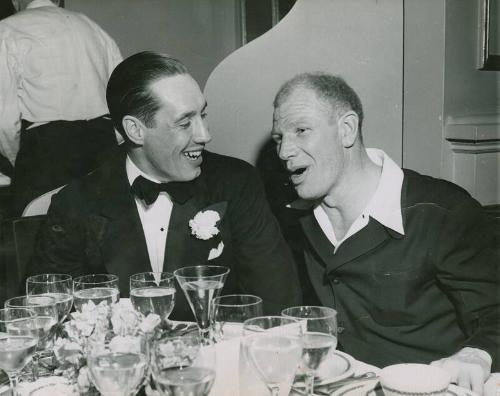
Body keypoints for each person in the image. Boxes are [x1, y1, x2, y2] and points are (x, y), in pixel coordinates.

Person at [269, 72, 499, 394]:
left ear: (346, 129)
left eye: (301, 131)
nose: (284, 152)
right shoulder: (293, 218)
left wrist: (477, 354)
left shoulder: (442, 212)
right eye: (279, 138)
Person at [27, 51, 302, 320]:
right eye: (185, 123)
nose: (205, 135)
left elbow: (277, 304)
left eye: (202, 116)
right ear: (135, 130)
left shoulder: (236, 182)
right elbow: (44, 312)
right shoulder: (77, 202)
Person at [0, 0, 122, 214]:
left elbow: (4, 119)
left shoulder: (7, 29)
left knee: (37, 238)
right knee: (106, 233)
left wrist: (16, 161)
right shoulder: (92, 27)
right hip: (104, 148)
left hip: (47, 154)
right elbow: (124, 97)